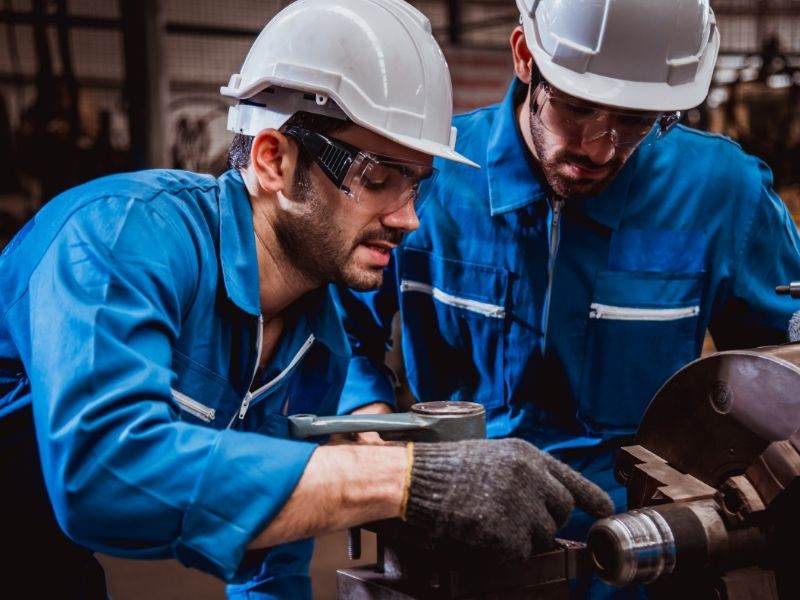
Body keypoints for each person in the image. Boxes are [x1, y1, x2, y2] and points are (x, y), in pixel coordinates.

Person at [0, 1, 613, 598]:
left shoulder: (315, 338)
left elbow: (269, 564)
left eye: (417, 186)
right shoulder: (122, 235)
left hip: (42, 545)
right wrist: (403, 478)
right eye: (377, 179)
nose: (408, 221)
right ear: (274, 160)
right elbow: (103, 477)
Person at [334, 0, 800, 598]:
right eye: (576, 108)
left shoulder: (720, 194)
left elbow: (782, 370)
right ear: (526, 58)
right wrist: (371, 431)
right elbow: (341, 330)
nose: (601, 149)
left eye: (636, 121)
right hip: (456, 537)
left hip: (647, 549)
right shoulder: (431, 176)